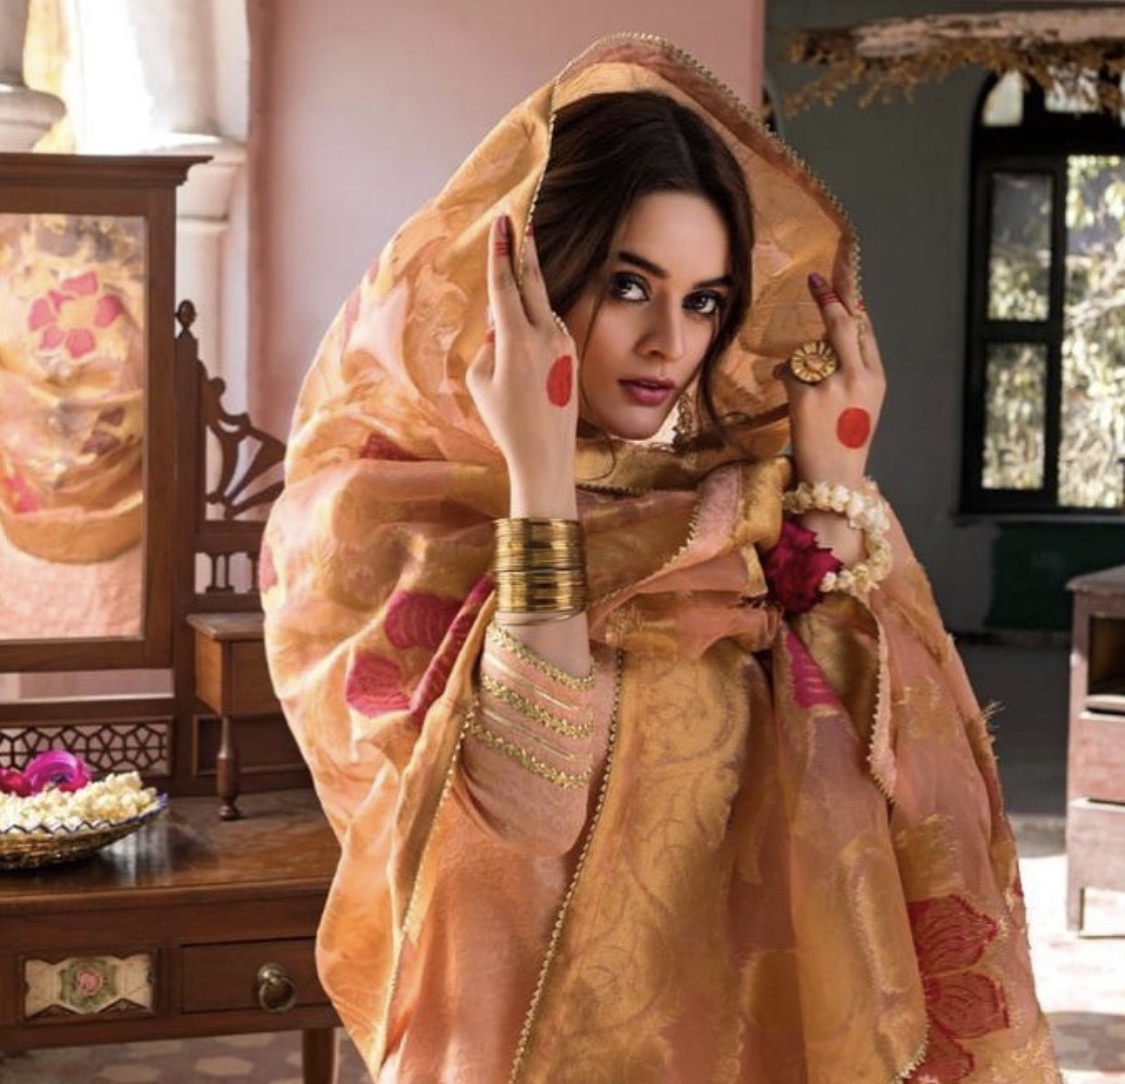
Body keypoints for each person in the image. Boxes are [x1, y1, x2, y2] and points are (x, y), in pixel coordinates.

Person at [262, 35, 1061, 1083]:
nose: (669, 345)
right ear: (529, 282)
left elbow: (869, 788)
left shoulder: (731, 507)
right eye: (629, 285)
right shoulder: (374, 521)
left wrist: (833, 488)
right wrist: (540, 482)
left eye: (702, 300)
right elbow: (526, 808)